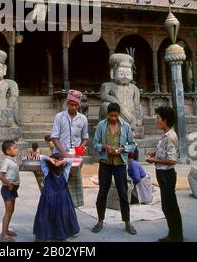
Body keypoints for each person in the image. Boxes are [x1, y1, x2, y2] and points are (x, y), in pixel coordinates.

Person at [92, 102, 137, 235]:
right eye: (111, 115)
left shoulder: (126, 126)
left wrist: (123, 149)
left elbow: (132, 144)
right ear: (107, 114)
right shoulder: (101, 125)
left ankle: (127, 222)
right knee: (102, 192)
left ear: (119, 115)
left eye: (115, 116)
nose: (113, 118)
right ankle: (100, 221)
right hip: (105, 163)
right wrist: (105, 147)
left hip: (120, 163)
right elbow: (95, 143)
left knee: (123, 193)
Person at [146, 105, 183, 242]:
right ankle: (175, 234)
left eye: (158, 118)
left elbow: (172, 160)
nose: (157, 121)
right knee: (168, 205)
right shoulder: (165, 136)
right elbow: (165, 152)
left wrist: (154, 160)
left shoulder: (170, 137)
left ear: (165, 120)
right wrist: (154, 153)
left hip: (167, 175)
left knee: (169, 206)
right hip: (162, 175)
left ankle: (175, 235)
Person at [51, 89, 89, 207]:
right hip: (60, 155)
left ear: (79, 105)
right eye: (71, 104)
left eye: (76, 105)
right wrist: (64, 154)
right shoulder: (59, 117)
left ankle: (73, 206)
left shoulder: (83, 119)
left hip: (75, 158)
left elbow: (85, 138)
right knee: (60, 183)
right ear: (67, 103)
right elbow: (54, 137)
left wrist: (79, 151)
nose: (73, 107)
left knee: (74, 182)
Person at [33, 154, 80, 241]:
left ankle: (57, 235)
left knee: (49, 216)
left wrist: (52, 160)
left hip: (52, 199)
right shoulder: (60, 172)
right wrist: (60, 161)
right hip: (58, 199)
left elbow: (42, 158)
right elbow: (70, 161)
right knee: (53, 216)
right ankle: (51, 235)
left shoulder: (48, 171)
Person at [0, 140, 20, 242]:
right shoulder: (6, 161)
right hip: (7, 189)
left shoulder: (12, 160)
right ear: (8, 151)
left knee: (11, 211)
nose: (17, 150)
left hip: (12, 189)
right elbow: (1, 176)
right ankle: (3, 234)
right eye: (14, 148)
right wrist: (9, 184)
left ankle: (6, 230)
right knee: (8, 212)